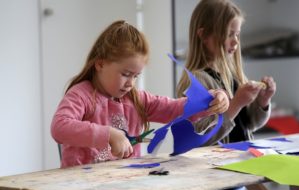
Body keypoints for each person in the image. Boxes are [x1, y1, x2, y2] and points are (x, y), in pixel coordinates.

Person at [51, 20, 229, 169]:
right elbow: (59, 127)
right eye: (126, 74)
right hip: (81, 189)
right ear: (100, 64)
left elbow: (173, 108)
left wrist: (210, 99)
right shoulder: (81, 94)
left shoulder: (135, 98)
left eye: (136, 76)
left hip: (120, 186)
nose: (130, 83)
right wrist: (108, 134)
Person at [176, 0, 276, 190]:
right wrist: (235, 104)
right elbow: (201, 137)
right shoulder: (196, 81)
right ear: (203, 35)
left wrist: (263, 102)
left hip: (237, 167)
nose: (235, 42)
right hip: (214, 173)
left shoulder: (232, 74)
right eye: (229, 34)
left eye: (237, 34)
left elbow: (248, 123)